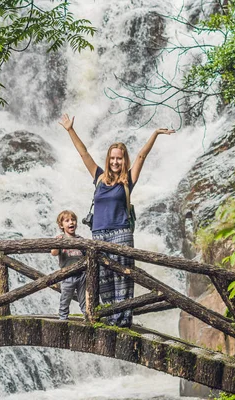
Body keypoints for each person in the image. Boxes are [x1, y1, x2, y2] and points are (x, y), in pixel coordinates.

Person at [59, 113, 174, 327]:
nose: (114, 161)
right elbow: (83, 153)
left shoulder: (128, 180)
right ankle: (111, 320)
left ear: (124, 160)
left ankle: (122, 323)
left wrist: (155, 134)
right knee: (103, 281)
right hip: (99, 236)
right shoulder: (99, 177)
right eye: (112, 158)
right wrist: (70, 130)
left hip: (121, 234)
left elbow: (141, 156)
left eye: (119, 158)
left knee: (122, 279)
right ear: (108, 159)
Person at [51, 210, 86, 320]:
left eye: (73, 220)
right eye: (67, 221)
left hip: (82, 275)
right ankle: (63, 319)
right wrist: (58, 243)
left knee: (84, 299)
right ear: (61, 225)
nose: (71, 222)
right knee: (65, 299)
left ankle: (88, 317)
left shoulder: (80, 240)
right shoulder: (60, 239)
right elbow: (53, 253)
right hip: (67, 275)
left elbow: (87, 255)